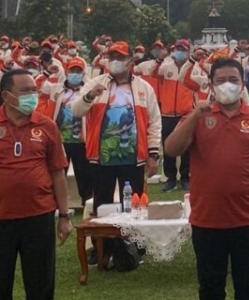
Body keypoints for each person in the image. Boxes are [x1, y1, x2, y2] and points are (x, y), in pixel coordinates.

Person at [165, 58, 249, 300]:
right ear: (211, 84)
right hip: (207, 220)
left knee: (247, 287)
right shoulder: (197, 117)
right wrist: (195, 115)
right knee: (210, 288)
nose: (227, 85)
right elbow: (172, 149)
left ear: (243, 83)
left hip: (247, 219)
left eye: (233, 80)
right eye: (221, 81)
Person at [0, 69, 72, 300]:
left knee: (40, 284)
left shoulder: (47, 126)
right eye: (25, 91)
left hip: (38, 216)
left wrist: (64, 216)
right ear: (6, 96)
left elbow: (58, 173)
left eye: (34, 90)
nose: (32, 95)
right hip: (1, 218)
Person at [72, 41, 161, 211]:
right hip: (100, 159)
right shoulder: (95, 83)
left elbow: (154, 122)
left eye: (120, 57)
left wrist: (153, 154)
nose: (115, 61)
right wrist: (90, 96)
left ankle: (129, 238)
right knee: (103, 206)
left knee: (134, 205)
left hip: (134, 159)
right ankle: (105, 238)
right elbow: (76, 111)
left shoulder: (144, 88)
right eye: (112, 57)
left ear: (130, 61)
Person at [39, 57, 92, 207]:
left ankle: (87, 201)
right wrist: (46, 73)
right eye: (72, 70)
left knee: (84, 173)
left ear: (83, 73)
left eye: (78, 71)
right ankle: (55, 203)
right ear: (66, 71)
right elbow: (37, 87)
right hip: (59, 140)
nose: (75, 73)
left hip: (82, 140)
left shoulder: (88, 89)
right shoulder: (56, 88)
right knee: (57, 172)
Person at [158, 39, 195, 191]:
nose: (180, 52)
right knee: (168, 147)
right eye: (178, 49)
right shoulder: (166, 67)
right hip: (167, 113)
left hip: (185, 113)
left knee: (186, 147)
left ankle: (186, 178)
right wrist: (161, 57)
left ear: (188, 52)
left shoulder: (194, 68)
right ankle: (170, 178)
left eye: (183, 49)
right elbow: (153, 72)